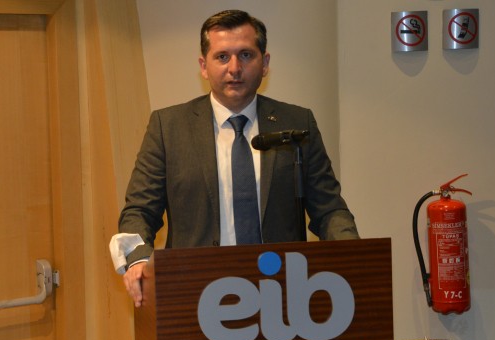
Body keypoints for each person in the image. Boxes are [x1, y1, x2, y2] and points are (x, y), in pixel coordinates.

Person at [109, 9, 359, 307]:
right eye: (222, 57)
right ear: (204, 66)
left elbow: (329, 209)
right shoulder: (168, 127)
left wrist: (356, 257)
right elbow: (139, 210)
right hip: (196, 295)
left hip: (284, 296)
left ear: (265, 63)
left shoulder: (296, 123)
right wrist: (138, 259)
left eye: (246, 55)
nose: (234, 68)